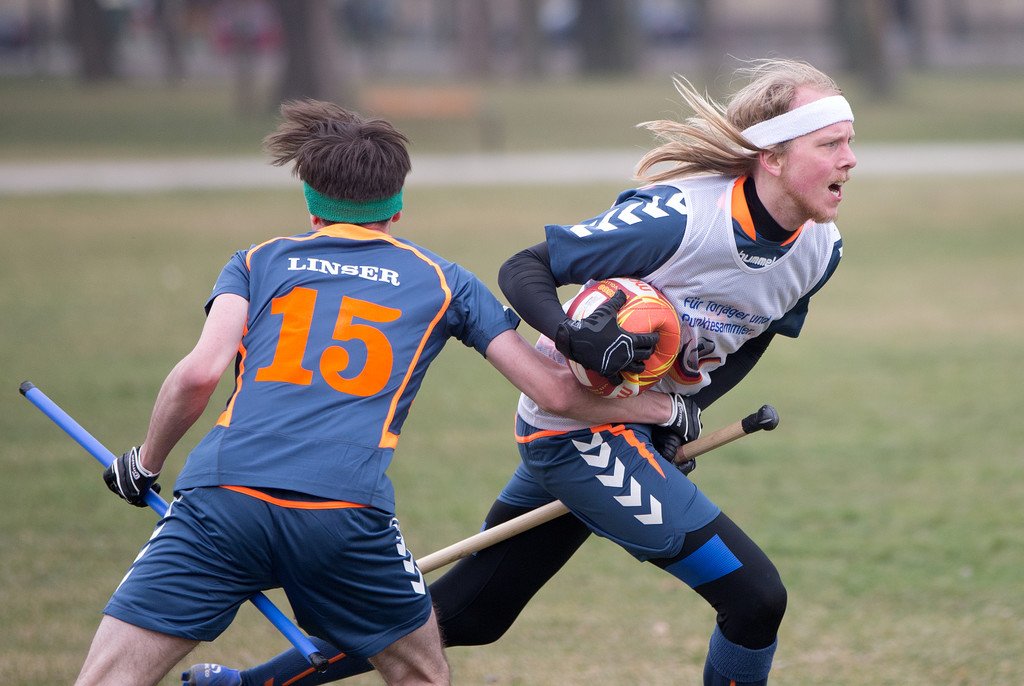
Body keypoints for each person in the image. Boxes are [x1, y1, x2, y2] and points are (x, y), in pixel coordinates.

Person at [184, 57, 855, 686]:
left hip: (629, 430)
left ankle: (247, 683)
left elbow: (752, 336)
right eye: (830, 144)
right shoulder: (679, 218)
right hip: (576, 431)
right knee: (755, 598)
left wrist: (681, 414)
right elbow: (524, 269)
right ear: (772, 156)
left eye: (850, 143)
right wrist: (574, 339)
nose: (850, 160)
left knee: (473, 613)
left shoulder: (820, 250)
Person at [77, 99, 688, 686]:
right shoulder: (446, 281)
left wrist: (145, 462)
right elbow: (553, 392)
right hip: (343, 514)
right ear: (397, 204)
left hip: (219, 501)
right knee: (421, 672)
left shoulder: (257, 261)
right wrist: (662, 406)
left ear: (311, 202)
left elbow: (198, 375)